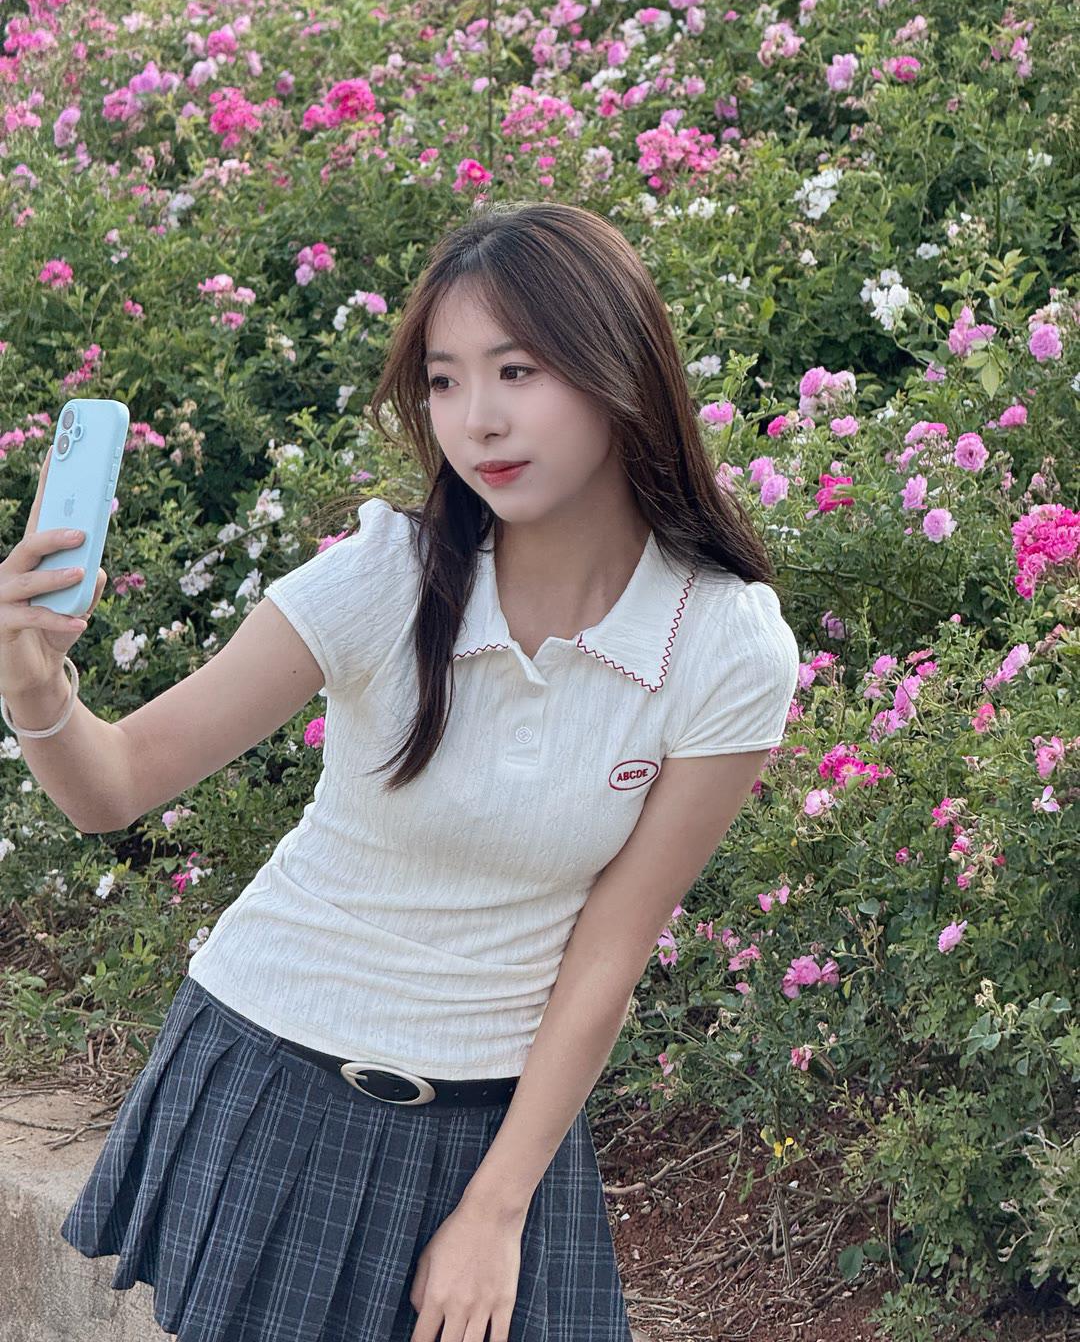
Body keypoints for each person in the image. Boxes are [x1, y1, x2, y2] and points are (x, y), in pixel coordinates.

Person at [2, 200, 800, 1342]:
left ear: (619, 368)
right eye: (443, 381)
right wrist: (36, 688)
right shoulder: (387, 576)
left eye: (517, 371)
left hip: (498, 1131)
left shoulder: (724, 645)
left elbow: (611, 948)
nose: (479, 420)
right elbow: (115, 785)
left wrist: (495, 1210)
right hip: (276, 1084)